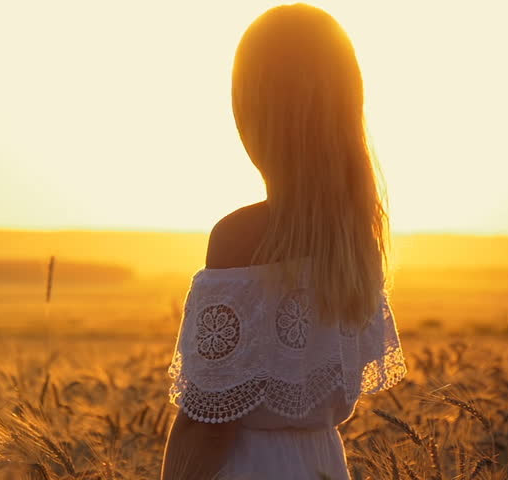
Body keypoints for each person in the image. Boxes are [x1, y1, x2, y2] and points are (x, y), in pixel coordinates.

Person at [159, 3, 407, 479]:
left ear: (255, 109)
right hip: (322, 464)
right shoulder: (359, 243)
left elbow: (207, 421)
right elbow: (327, 394)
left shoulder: (240, 236)